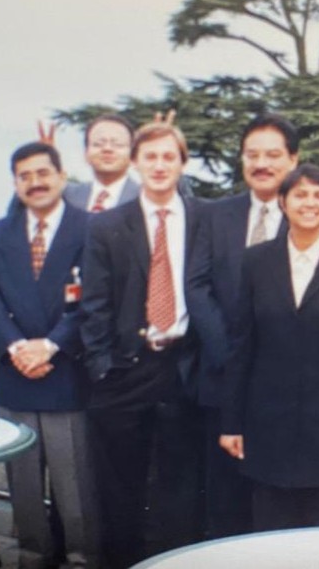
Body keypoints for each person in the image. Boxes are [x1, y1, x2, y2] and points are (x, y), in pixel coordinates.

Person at [220, 164, 319, 531]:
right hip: (268, 428)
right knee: (271, 536)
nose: (309, 203)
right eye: (300, 194)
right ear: (282, 202)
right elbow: (241, 347)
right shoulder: (255, 262)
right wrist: (230, 421)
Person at [80, 121, 203, 568]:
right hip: (124, 373)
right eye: (149, 157)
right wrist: (102, 367)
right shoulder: (107, 226)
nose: (158, 165)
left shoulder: (203, 218)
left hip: (183, 371)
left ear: (182, 164)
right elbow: (93, 304)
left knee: (180, 486)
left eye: (169, 157)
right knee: (119, 488)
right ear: (135, 163)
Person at [0, 142, 99, 569]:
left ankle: (83, 560)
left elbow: (95, 300)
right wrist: (16, 348)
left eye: (43, 172)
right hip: (16, 377)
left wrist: (51, 345)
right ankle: (32, 558)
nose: (35, 182)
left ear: (63, 177)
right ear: (15, 184)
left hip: (67, 375)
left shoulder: (90, 229)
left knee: (75, 486)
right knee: (23, 486)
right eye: (24, 176)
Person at [188, 113, 299, 538]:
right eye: (252, 154)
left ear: (293, 159)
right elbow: (196, 287)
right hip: (222, 380)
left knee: (278, 502)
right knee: (225, 500)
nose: (262, 164)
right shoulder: (215, 215)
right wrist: (233, 356)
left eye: (273, 154)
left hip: (288, 388)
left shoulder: (311, 213)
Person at [63, 114, 141, 212]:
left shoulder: (144, 197)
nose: (107, 149)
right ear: (86, 154)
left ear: (132, 156)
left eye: (118, 144)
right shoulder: (68, 195)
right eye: (98, 144)